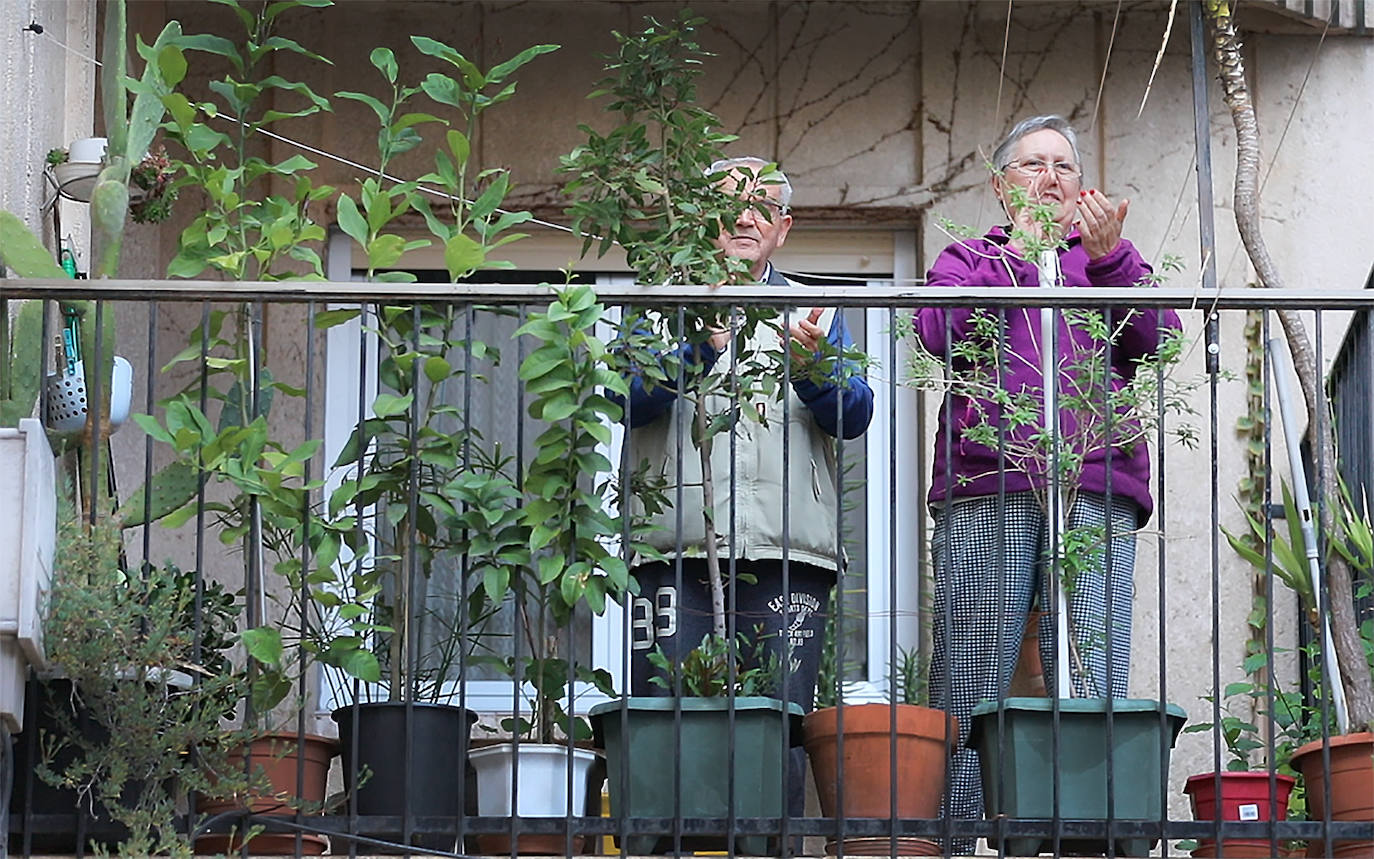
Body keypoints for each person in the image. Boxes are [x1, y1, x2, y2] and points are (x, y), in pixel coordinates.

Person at [912, 115, 1181, 851]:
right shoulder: (970, 257)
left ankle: (1084, 833)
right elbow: (937, 334)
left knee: (1092, 661)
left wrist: (1114, 258)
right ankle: (959, 832)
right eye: (1034, 165)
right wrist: (1019, 258)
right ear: (1003, 188)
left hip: (1094, 483)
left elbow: (1157, 338)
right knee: (973, 662)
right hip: (988, 479)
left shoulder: (1107, 260)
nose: (1053, 177)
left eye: (1065, 165)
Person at [618, 155, 875, 829]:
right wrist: (696, 347)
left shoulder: (814, 310)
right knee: (668, 727)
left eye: (762, 205)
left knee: (776, 735)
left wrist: (814, 369)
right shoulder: (659, 300)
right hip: (675, 549)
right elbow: (628, 398)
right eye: (729, 203)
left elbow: (854, 414)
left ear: (782, 228)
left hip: (788, 553)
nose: (743, 216)